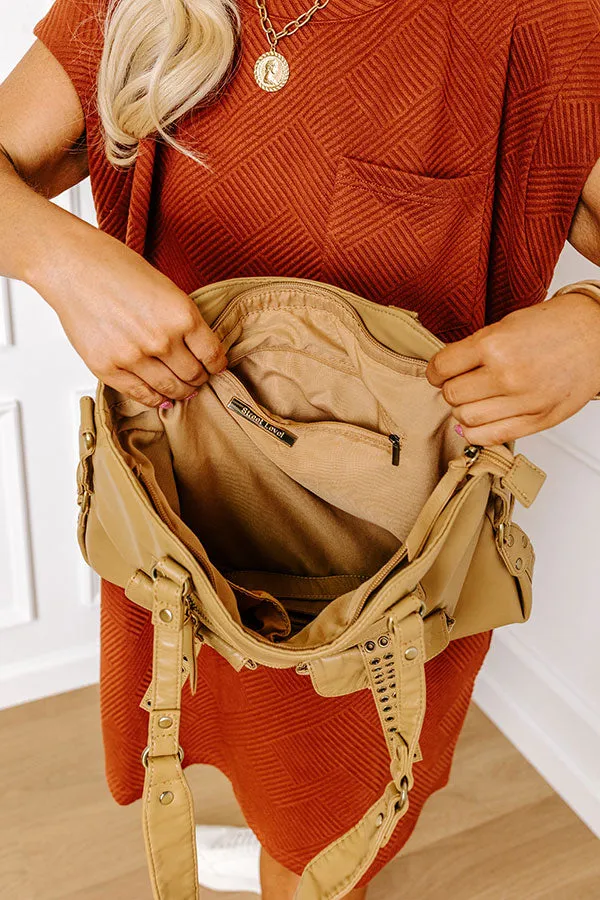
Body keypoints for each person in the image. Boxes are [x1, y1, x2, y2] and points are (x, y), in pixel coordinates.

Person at [1, 0, 600, 896]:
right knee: (207, 724)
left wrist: (593, 332)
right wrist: (61, 261)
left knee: (332, 801)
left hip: (380, 565)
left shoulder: (541, 24)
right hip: (179, 508)